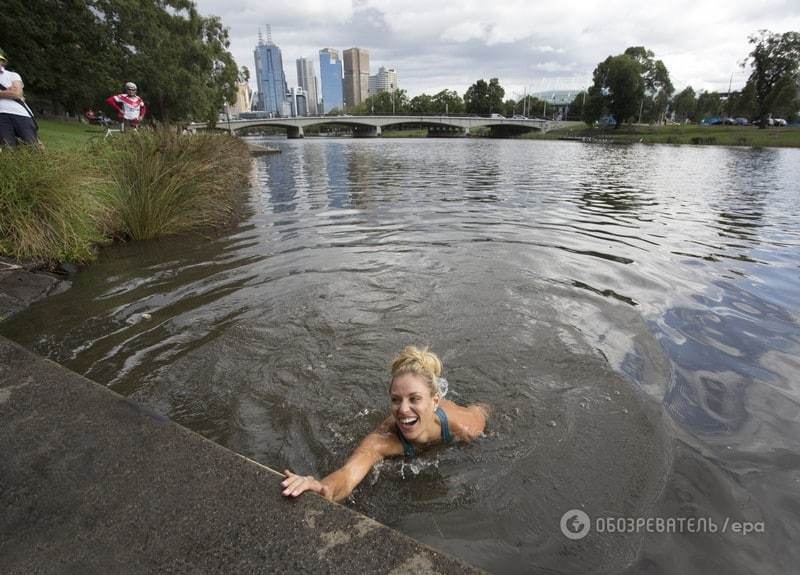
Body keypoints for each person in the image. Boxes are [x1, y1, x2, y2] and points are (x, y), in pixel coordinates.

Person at [281, 346, 489, 502]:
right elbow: (347, 475)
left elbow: (486, 410)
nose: (403, 409)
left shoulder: (463, 425)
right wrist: (321, 487)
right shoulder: (381, 441)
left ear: (435, 401)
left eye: (414, 399)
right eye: (396, 399)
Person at [0, 48, 39, 147]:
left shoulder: (13, 75)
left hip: (21, 113)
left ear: (3, 61)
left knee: (32, 147)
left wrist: (6, 93)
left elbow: (17, 93)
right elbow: (14, 93)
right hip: (1, 115)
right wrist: (8, 92)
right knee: (7, 148)